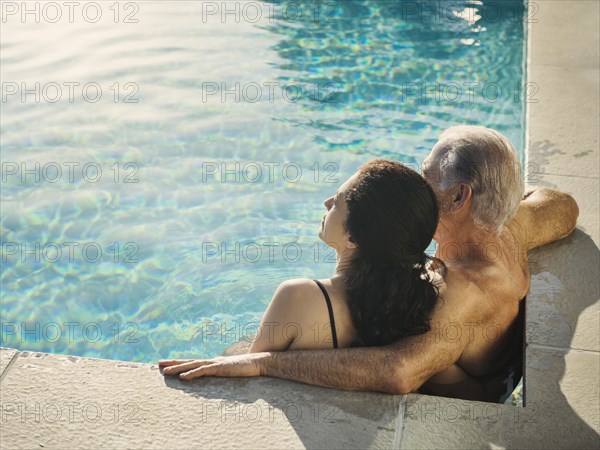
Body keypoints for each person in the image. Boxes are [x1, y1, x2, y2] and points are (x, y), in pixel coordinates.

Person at [160, 126, 579, 402]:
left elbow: (398, 373)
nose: (416, 185)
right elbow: (565, 206)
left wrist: (266, 363)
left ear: (458, 197)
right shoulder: (510, 225)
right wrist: (506, 190)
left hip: (476, 397)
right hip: (495, 368)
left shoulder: (459, 292)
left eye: (425, 175)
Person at [248, 159, 444, 353]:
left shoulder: (297, 296)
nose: (326, 202)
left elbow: (246, 371)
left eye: (337, 202)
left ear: (353, 237)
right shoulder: (411, 304)